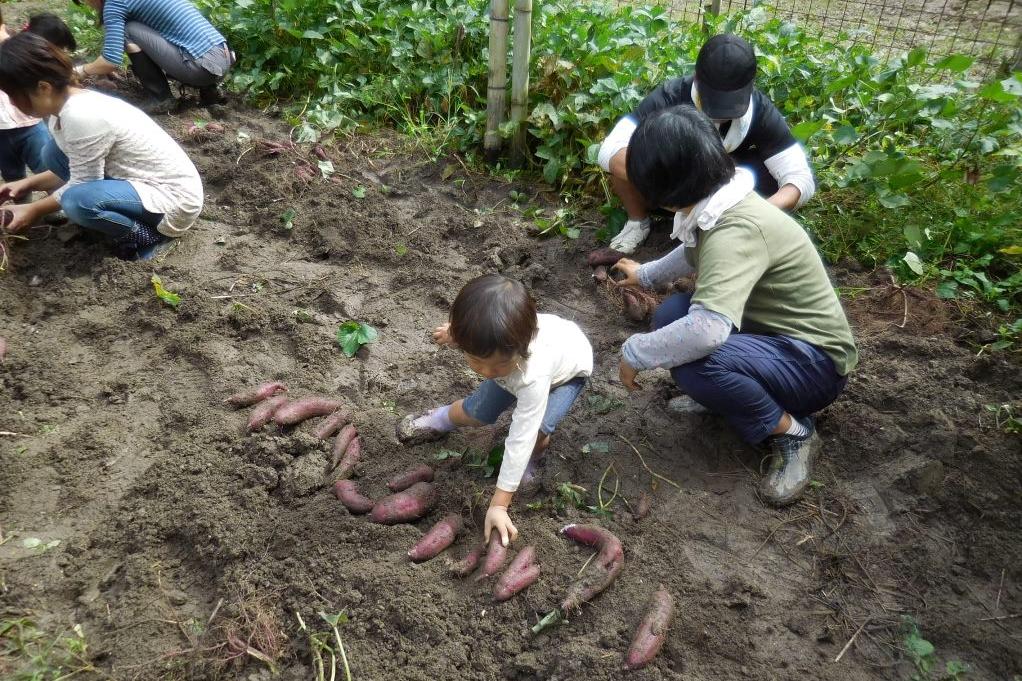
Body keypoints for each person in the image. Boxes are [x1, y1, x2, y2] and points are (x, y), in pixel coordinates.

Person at [611, 105, 856, 507]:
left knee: (693, 361)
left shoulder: (734, 230)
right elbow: (693, 249)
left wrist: (634, 352)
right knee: (672, 314)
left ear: (664, 193)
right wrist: (648, 275)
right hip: (777, 339)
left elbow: (707, 332)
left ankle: (794, 432)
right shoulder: (720, 203)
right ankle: (729, 397)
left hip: (814, 366)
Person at [396, 274, 594, 546]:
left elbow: (519, 438)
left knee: (537, 430)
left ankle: (532, 462)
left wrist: (500, 504)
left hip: (569, 375)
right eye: (475, 360)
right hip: (523, 362)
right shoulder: (491, 342)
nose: (487, 372)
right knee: (476, 411)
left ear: (521, 348)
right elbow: (476, 338)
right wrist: (456, 335)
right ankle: (440, 418)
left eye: (496, 366)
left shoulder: (532, 377)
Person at [597, 34, 815, 253]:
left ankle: (733, 231)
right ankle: (638, 223)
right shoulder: (670, 97)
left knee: (768, 175)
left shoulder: (761, 112)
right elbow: (609, 150)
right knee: (629, 157)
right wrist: (679, 190)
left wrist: (756, 215)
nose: (720, 115)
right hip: (673, 198)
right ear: (697, 78)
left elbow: (800, 179)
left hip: (731, 206)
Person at [0, 32, 203, 260]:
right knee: (53, 153)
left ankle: (146, 236)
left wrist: (34, 209)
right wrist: (26, 184)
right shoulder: (66, 107)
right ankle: (116, 219)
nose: (13, 104)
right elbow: (78, 169)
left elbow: (83, 183)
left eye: (13, 96)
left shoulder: (81, 116)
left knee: (76, 202)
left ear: (44, 88)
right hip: (140, 182)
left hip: (173, 200)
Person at [71, 0, 234, 114]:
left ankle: (161, 98)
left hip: (201, 68)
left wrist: (79, 71)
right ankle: (209, 90)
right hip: (223, 56)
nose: (89, 5)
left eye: (85, 1)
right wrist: (100, 71)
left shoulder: (114, 3)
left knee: (129, 30)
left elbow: (111, 60)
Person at [0, 10, 55, 191]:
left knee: (47, 166)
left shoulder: (13, 46)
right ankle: (20, 205)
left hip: (29, 122)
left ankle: (56, 205)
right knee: (12, 175)